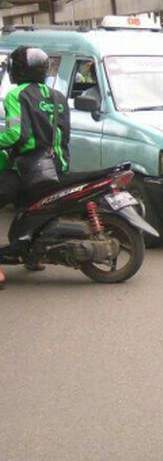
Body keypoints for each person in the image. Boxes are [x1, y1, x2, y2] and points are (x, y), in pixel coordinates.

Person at [0, 46, 71, 285]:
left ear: (18, 70)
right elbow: (66, 135)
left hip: (28, 169)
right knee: (29, 206)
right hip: (57, 167)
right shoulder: (57, 96)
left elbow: (14, 134)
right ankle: (32, 256)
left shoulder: (16, 95)